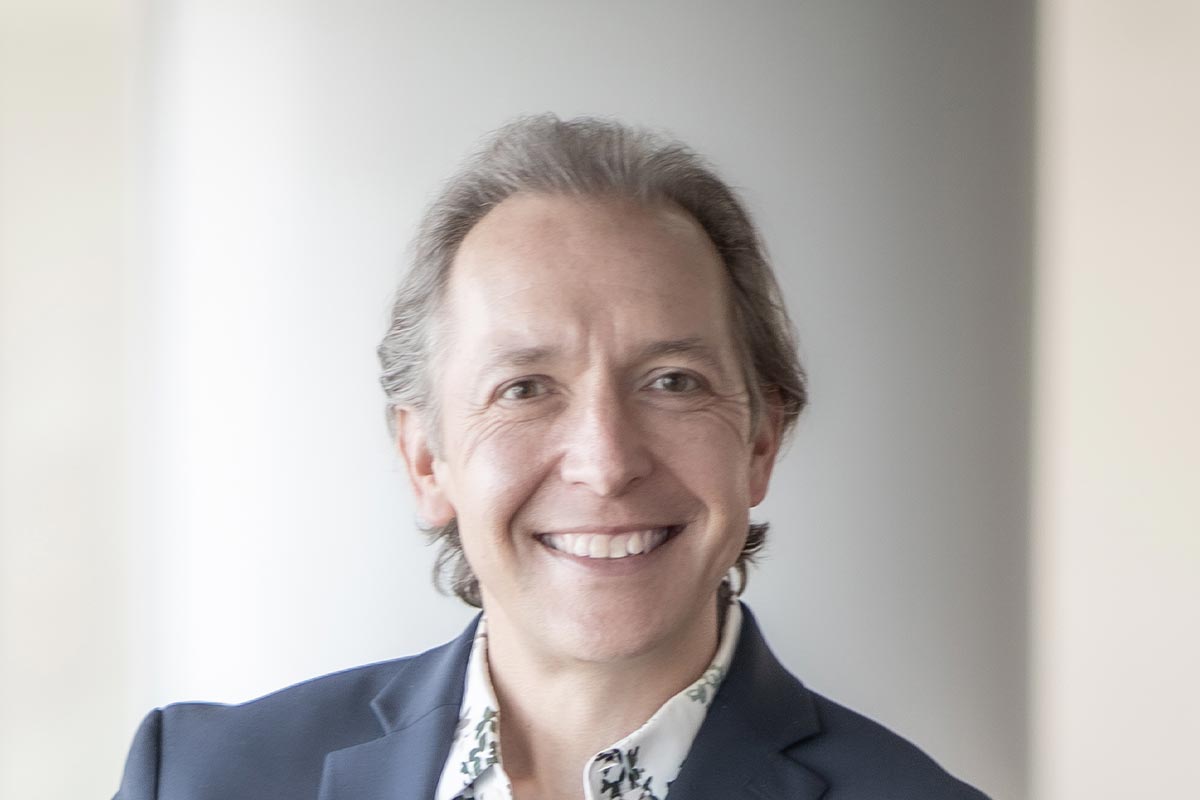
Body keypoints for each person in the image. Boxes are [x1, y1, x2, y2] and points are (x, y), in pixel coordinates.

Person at [115, 115, 989, 799]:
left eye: (673, 382)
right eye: (525, 388)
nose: (605, 463)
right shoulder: (197, 779)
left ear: (760, 443)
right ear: (426, 461)